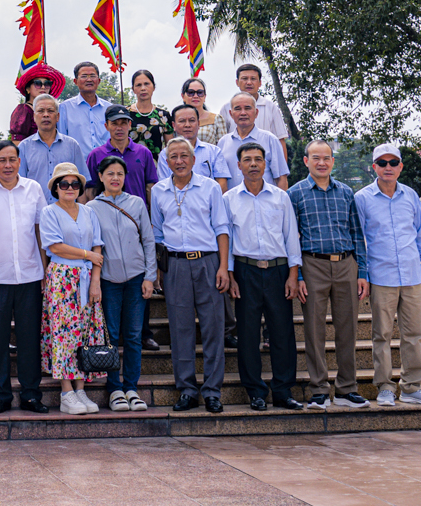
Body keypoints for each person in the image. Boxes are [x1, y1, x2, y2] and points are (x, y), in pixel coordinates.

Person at [150, 136, 231, 413]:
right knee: (180, 329)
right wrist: (160, 270)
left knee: (213, 328)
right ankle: (186, 389)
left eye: (184, 155)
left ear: (194, 159)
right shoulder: (159, 191)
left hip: (208, 262)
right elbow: (157, 234)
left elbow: (222, 228)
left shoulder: (209, 188)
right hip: (175, 265)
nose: (180, 161)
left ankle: (212, 391)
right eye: (173, 157)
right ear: (167, 161)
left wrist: (223, 267)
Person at [289, 140, 370, 409]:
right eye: (316, 158)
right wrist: (298, 275)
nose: (321, 162)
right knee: (314, 330)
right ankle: (319, 389)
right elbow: (291, 238)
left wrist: (362, 271)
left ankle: (347, 388)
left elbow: (357, 233)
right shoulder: (295, 194)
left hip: (346, 264)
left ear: (333, 161)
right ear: (306, 161)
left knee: (347, 328)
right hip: (313, 265)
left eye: (326, 158)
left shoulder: (347, 193)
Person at [356, 142, 421, 407]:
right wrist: (363, 274)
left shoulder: (411, 196)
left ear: (401, 166)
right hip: (381, 276)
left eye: (393, 163)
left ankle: (412, 387)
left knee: (414, 334)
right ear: (374, 167)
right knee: (382, 334)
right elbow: (359, 241)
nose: (388, 168)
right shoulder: (362, 198)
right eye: (382, 163)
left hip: (412, 275)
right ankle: (385, 387)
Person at [226, 142, 304, 412]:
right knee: (247, 334)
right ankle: (255, 391)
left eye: (258, 159)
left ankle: (283, 391)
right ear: (239, 166)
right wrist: (231, 274)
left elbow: (290, 236)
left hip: (278, 271)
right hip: (245, 271)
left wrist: (294, 274)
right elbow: (228, 239)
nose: (253, 164)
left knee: (282, 333)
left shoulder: (280, 197)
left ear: (266, 164)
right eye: (247, 160)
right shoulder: (229, 199)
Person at [0, 139, 47, 414]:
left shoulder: (33, 189)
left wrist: (44, 271)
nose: (7, 165)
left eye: (12, 160)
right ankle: (1, 395)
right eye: (1, 160)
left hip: (30, 275)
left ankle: (31, 394)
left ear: (19, 161)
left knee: (30, 338)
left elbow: (40, 232)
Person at [90, 153, 156, 411]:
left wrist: (150, 276)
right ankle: (114, 389)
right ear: (100, 177)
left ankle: (131, 387)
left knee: (133, 335)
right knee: (111, 335)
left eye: (119, 174)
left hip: (136, 279)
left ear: (125, 177)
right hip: (108, 280)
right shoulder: (92, 207)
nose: (115, 178)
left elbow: (148, 241)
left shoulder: (137, 203)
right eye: (110, 174)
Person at [37, 161, 104, 414]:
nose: (70, 187)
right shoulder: (49, 212)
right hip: (62, 277)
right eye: (64, 183)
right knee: (64, 333)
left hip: (86, 278)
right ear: (56, 187)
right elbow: (55, 246)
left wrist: (95, 281)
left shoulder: (89, 212)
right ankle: (66, 392)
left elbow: (98, 246)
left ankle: (80, 389)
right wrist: (87, 255)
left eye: (75, 183)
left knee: (84, 333)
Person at [85, 104, 159, 204]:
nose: (119, 128)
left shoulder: (143, 152)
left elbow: (150, 187)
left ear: (129, 125)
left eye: (123, 123)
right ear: (106, 126)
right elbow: (90, 190)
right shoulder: (96, 155)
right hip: (106, 215)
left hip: (136, 214)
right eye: (114, 124)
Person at [217, 62, 290, 160]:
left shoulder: (270, 107)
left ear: (260, 83)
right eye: (244, 78)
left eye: (253, 79)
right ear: (237, 82)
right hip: (234, 165)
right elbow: (222, 142)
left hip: (264, 166)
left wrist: (282, 172)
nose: (249, 82)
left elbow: (280, 141)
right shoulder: (226, 108)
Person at [218, 94, 290, 189]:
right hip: (233, 203)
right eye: (238, 109)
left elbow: (281, 178)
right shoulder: (223, 142)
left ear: (256, 113)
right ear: (231, 114)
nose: (243, 113)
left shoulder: (270, 140)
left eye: (247, 108)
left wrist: (281, 203)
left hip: (265, 201)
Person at [18, 93, 87, 188]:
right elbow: (20, 184)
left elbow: (82, 184)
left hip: (66, 203)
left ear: (58, 116)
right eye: (41, 111)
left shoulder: (72, 145)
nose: (46, 115)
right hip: (35, 203)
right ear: (34, 117)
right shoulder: (24, 147)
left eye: (50, 111)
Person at [168, 103, 230, 189]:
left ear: (199, 124)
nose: (187, 125)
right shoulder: (166, 154)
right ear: (174, 125)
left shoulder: (214, 152)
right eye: (182, 121)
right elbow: (165, 185)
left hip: (207, 202)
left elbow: (221, 183)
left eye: (192, 120)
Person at [61, 61, 113, 153]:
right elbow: (62, 140)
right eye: (84, 76)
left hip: (106, 163)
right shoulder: (64, 108)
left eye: (93, 76)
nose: (89, 80)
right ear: (75, 81)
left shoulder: (109, 108)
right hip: (77, 164)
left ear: (99, 81)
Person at [8, 60, 64, 142]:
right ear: (28, 89)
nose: (43, 87)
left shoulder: (56, 110)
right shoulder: (23, 110)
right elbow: (17, 144)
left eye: (47, 83)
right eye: (38, 84)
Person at [124, 69, 171, 155]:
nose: (143, 88)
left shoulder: (163, 116)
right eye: (138, 85)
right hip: (130, 165)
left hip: (156, 166)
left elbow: (170, 148)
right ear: (133, 89)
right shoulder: (125, 113)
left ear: (153, 87)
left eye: (146, 84)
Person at [181, 76, 227, 145]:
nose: (196, 96)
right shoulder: (177, 119)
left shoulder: (216, 119)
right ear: (183, 96)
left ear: (205, 96)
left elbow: (223, 147)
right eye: (191, 92)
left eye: (200, 93)